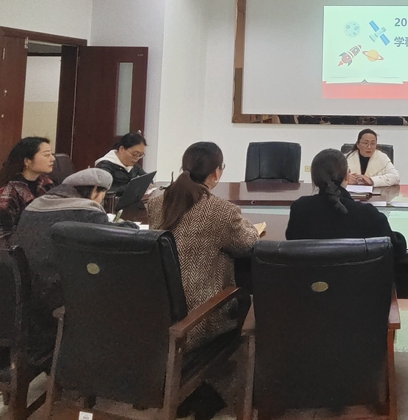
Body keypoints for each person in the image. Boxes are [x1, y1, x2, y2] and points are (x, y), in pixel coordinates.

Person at [147, 142, 262, 351]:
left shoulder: (157, 204)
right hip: (201, 320)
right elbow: (247, 244)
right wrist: (251, 227)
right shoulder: (222, 211)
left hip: (158, 318)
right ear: (216, 172)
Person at [11, 168, 138, 355]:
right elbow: (114, 238)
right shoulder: (87, 211)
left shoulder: (35, 205)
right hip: (57, 300)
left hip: (23, 296)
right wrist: (129, 225)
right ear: (95, 190)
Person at [285, 149, 407, 258]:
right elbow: (396, 249)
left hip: (312, 277)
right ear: (347, 177)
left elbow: (292, 243)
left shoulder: (300, 209)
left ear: (314, 179)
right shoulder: (367, 214)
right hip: (359, 277)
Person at [0, 137, 55, 240]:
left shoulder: (47, 183)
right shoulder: (9, 192)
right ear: (27, 161)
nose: (53, 159)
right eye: (47, 155)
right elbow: (5, 235)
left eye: (52, 154)